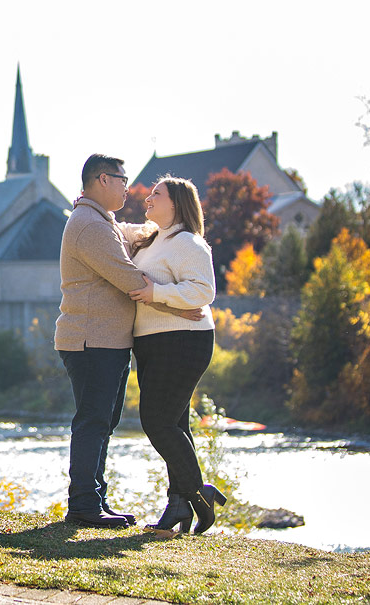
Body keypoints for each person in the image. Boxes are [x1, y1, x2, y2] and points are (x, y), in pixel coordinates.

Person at [56, 154, 201, 528]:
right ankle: (84, 505)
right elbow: (127, 275)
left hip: (107, 340)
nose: (127, 186)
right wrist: (180, 305)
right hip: (92, 339)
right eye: (122, 179)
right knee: (93, 421)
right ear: (103, 180)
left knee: (104, 420)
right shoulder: (89, 224)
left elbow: (134, 232)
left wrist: (170, 224)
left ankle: (94, 500)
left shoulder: (100, 221)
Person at [125, 176, 226, 535]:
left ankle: (197, 491)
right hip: (152, 342)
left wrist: (157, 293)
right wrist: (87, 205)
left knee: (157, 420)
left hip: (184, 340)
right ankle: (179, 503)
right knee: (176, 423)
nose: (148, 198)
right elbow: (117, 229)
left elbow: (204, 291)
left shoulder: (187, 242)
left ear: (177, 204)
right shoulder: (151, 239)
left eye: (157, 194)